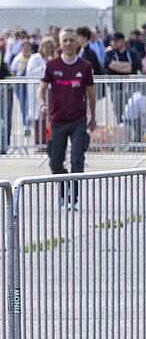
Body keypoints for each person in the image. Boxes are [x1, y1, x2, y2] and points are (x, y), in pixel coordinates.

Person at [41, 28, 96, 208]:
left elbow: (91, 93)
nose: (68, 43)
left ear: (77, 43)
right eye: (65, 40)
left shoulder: (85, 66)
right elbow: (41, 89)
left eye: (72, 40)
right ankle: (64, 188)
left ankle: (74, 198)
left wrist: (93, 116)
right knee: (55, 161)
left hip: (78, 120)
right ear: (60, 43)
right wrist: (43, 104)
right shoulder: (52, 65)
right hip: (57, 119)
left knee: (77, 160)